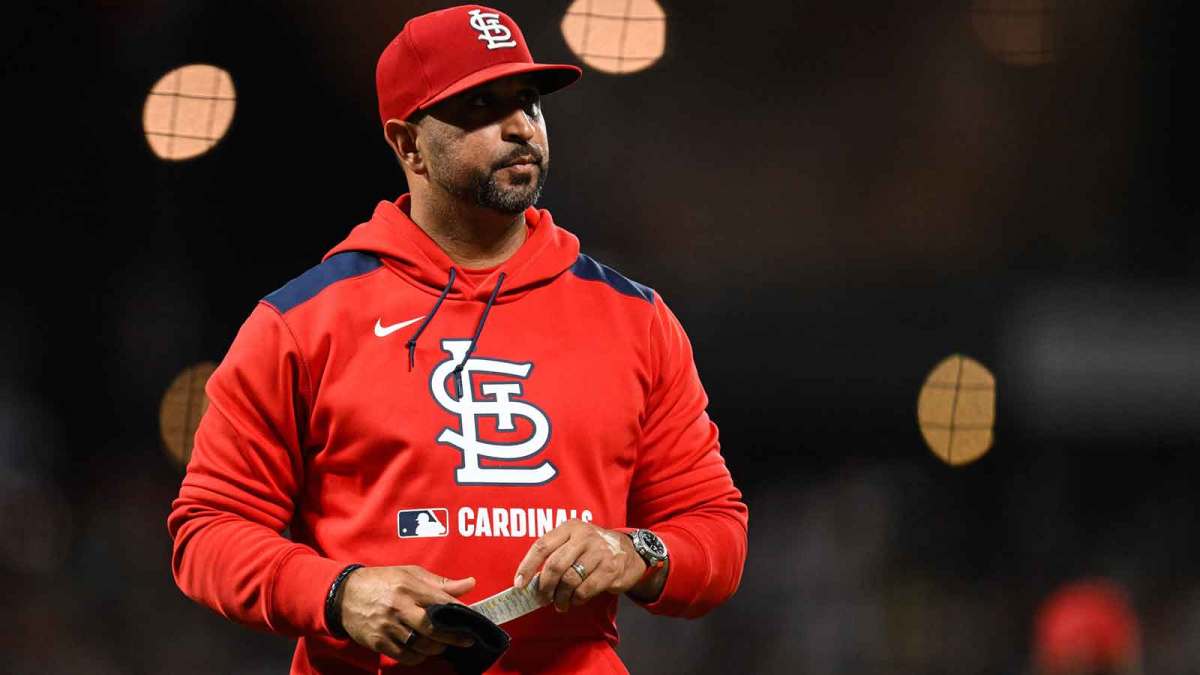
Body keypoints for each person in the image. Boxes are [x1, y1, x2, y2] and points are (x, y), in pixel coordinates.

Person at [168, 5, 748, 674]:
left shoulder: (634, 319)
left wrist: (634, 551)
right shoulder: (304, 321)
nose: (519, 126)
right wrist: (338, 592)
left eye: (527, 101)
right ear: (408, 144)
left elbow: (716, 531)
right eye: (480, 106)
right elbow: (205, 532)